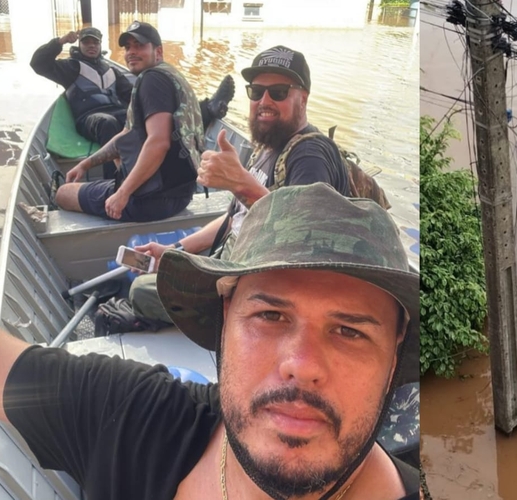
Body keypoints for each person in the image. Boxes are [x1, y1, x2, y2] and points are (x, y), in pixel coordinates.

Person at [0, 183, 420, 500]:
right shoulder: (129, 418)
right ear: (224, 321)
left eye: (350, 331)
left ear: (394, 358)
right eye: (270, 316)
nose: (302, 364)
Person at [127, 44, 350, 326]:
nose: (264, 101)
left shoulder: (310, 156)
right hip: (232, 261)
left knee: (141, 292)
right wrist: (176, 250)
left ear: (303, 98)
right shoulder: (267, 146)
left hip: (264, 288)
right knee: (153, 274)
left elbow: (305, 240)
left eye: (278, 92)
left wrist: (241, 184)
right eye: (256, 92)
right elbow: (234, 218)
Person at [53, 21, 232, 223]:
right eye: (128, 47)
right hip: (181, 194)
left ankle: (117, 188)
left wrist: (122, 193)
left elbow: (159, 142)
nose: (131, 52)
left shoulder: (151, 81)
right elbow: (125, 135)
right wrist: (85, 164)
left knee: (63, 193)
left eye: (139, 45)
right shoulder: (170, 74)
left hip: (149, 201)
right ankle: (208, 109)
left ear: (158, 51)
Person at [30, 27, 133, 179]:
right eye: (86, 42)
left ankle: (144, 173)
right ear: (80, 45)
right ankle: (114, 182)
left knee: (138, 120)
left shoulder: (112, 70)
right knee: (108, 123)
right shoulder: (70, 67)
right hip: (90, 118)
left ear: (100, 45)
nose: (91, 45)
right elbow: (38, 64)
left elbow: (132, 94)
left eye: (95, 42)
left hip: (117, 112)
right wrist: (60, 41)